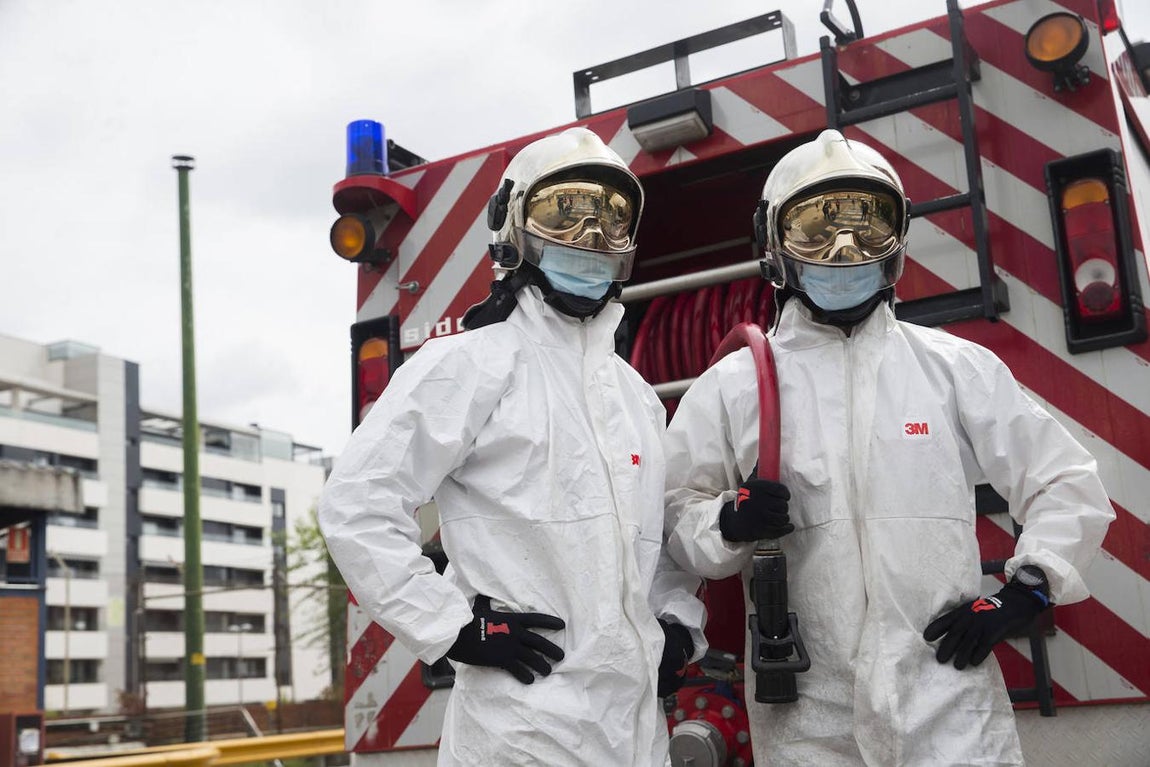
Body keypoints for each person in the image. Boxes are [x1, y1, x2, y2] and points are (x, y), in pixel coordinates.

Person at [662, 129, 1115, 766]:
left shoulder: (954, 369)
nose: (844, 251)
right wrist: (726, 522)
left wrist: (1027, 589)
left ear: (896, 242)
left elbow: (1063, 480)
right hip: (809, 715)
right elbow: (671, 519)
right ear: (775, 244)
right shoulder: (734, 387)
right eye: (816, 230)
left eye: (867, 227)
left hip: (947, 704)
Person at [319, 126, 705, 767]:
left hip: (635, 735)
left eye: (610, 218)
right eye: (565, 212)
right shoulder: (469, 365)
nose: (590, 237)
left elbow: (656, 537)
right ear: (515, 226)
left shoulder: (634, 396)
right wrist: (453, 629)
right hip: (521, 733)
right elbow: (356, 506)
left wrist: (675, 623)